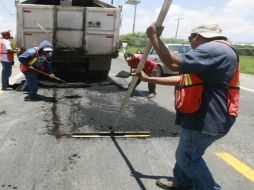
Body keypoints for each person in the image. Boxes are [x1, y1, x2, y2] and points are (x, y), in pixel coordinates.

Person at [136, 23, 239, 190]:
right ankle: (183, 183)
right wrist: (150, 79)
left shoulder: (212, 50)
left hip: (208, 117)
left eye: (190, 38)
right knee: (186, 152)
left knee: (187, 157)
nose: (190, 43)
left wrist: (154, 37)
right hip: (201, 114)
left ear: (197, 36)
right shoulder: (215, 52)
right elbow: (184, 79)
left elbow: (173, 64)